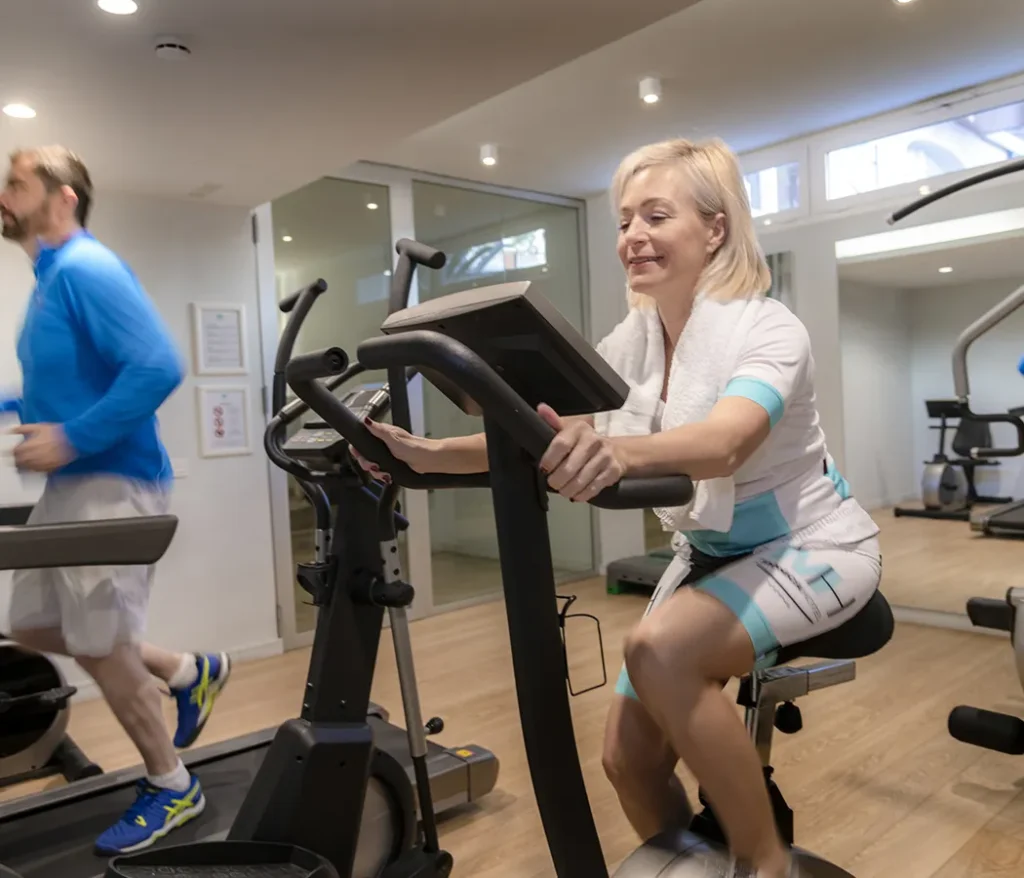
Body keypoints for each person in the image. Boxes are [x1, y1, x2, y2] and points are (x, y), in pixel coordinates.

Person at [350, 137, 882, 878]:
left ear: (715, 229)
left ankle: (766, 865)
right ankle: (698, 862)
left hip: (809, 544)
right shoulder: (631, 345)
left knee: (657, 651)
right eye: (626, 220)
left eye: (656, 216)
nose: (633, 236)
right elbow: (547, 432)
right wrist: (427, 455)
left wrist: (619, 452)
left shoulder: (768, 328)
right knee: (626, 760)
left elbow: (727, 441)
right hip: (712, 552)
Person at [0, 146, 232, 854]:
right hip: (72, 488)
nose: (3, 194)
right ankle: (187, 669)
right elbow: (69, 381)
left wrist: (71, 437)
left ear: (63, 198)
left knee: (101, 644)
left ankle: (172, 786)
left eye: (16, 183)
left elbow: (158, 366)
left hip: (111, 483)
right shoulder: (50, 281)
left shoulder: (86, 268)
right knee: (35, 627)